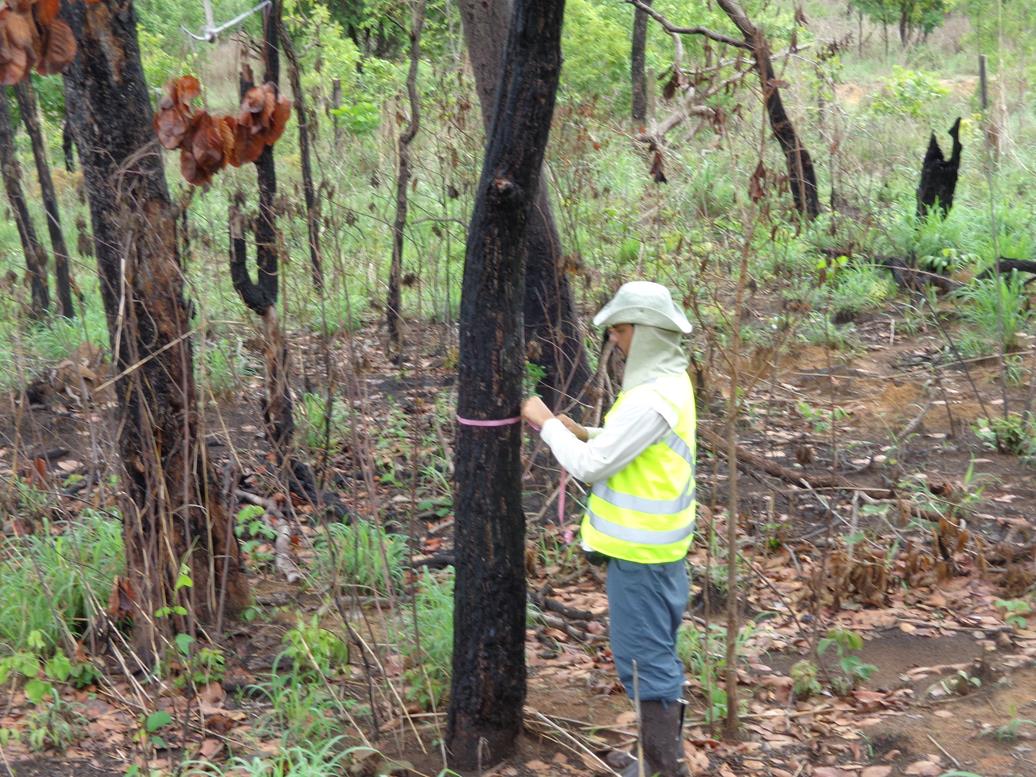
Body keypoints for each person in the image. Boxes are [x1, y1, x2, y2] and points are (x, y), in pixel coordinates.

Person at [522, 281, 696, 777]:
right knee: (651, 657)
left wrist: (545, 423)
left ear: (646, 333)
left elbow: (592, 466)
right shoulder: (669, 383)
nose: (615, 341)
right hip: (657, 553)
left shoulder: (651, 397)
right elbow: (636, 445)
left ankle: (664, 768)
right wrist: (588, 430)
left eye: (621, 330)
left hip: (643, 557)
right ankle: (651, 757)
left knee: (645, 665)